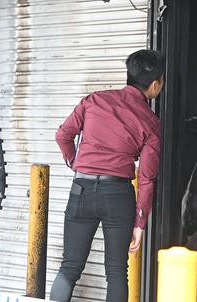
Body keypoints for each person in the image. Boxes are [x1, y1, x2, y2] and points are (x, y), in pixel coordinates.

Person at [50, 50, 164, 302]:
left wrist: (75, 163)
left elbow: (63, 135)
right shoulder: (151, 123)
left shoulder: (94, 101)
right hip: (118, 196)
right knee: (116, 273)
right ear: (156, 84)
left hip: (82, 189)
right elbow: (146, 177)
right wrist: (140, 222)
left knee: (69, 267)